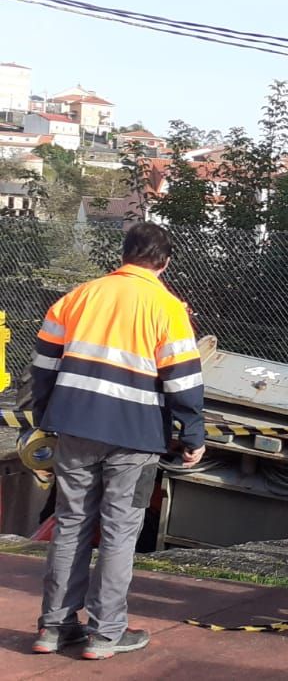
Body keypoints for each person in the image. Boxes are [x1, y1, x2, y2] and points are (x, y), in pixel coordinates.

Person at [31, 221, 206, 660]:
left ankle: (54, 627)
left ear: (123, 254)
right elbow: (183, 381)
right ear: (165, 263)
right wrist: (192, 435)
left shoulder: (78, 297)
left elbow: (44, 364)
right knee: (119, 531)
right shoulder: (168, 309)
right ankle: (105, 633)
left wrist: (46, 415)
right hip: (135, 435)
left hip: (75, 427)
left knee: (71, 522)